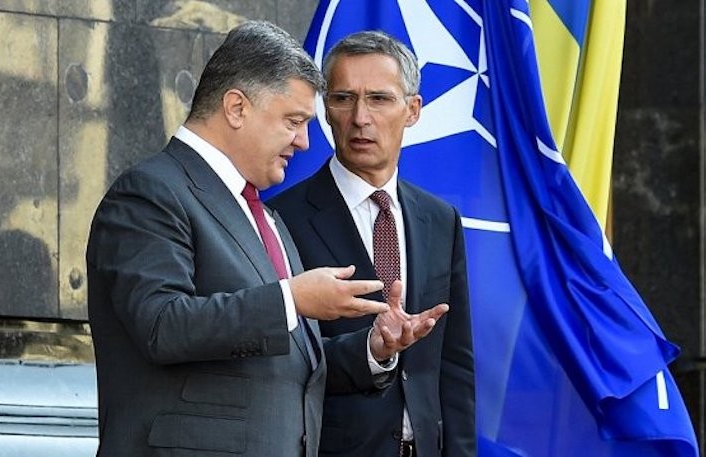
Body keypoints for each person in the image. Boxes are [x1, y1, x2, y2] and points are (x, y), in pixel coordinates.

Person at [86, 21, 446, 457]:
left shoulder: (264, 215)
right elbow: (162, 325)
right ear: (237, 108)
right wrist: (292, 299)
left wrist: (373, 347)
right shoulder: (150, 193)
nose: (305, 142)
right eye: (294, 121)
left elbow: (288, 367)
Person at [268, 31, 475, 457]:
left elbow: (454, 364)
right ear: (325, 109)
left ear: (412, 110)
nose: (360, 117)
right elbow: (278, 360)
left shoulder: (440, 219)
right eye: (344, 98)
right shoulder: (282, 219)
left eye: (379, 99)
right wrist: (372, 351)